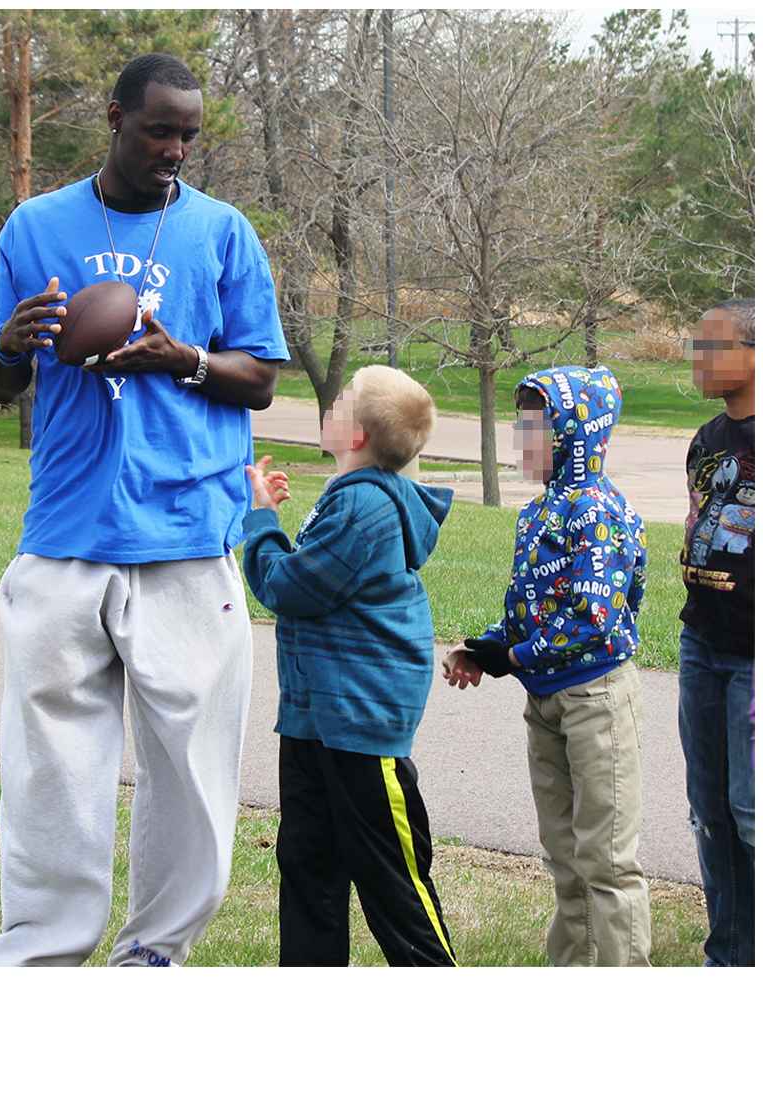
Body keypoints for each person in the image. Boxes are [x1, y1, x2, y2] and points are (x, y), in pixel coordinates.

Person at [0, 54, 290, 967]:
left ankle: (152, 959)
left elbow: (260, 379)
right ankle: (36, 964)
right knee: (51, 775)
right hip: (67, 535)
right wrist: (9, 343)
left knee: (192, 776)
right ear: (116, 117)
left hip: (189, 537)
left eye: (189, 134)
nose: (176, 150)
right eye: (160, 130)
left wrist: (180, 360)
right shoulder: (38, 226)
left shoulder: (223, 232)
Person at [241, 366, 458, 966]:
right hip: (317, 721)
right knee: (309, 864)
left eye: (340, 399)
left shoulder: (366, 505)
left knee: (393, 881)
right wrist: (277, 529)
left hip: (360, 725)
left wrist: (260, 520)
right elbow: (310, 578)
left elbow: (288, 588)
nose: (329, 402)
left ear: (357, 434)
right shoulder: (350, 495)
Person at [444, 366, 651, 967]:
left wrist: (510, 659)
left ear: (573, 432)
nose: (520, 439)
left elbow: (592, 618)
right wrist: (482, 648)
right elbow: (528, 611)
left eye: (535, 427)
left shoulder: (599, 511)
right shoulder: (540, 513)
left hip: (597, 703)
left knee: (607, 861)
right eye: (520, 425)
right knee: (564, 853)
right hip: (547, 706)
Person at [679, 298, 755, 967]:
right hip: (701, 642)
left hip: (754, 657)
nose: (696, 357)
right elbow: (696, 519)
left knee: (751, 810)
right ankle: (728, 956)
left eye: (711, 345)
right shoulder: (706, 440)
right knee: (710, 808)